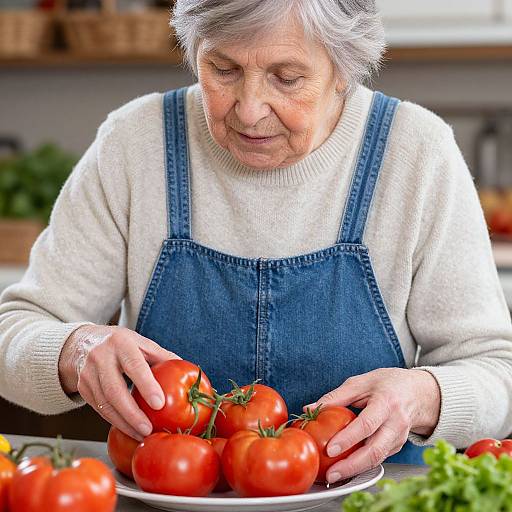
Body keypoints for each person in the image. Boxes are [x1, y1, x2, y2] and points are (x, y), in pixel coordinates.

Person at [1, 0, 512, 483]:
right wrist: (73, 350)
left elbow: (498, 371)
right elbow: (14, 331)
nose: (248, 109)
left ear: (344, 70)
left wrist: (424, 395)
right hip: (176, 502)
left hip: (370, 502)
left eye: (286, 78)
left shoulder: (417, 153)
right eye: (222, 70)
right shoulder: (136, 144)